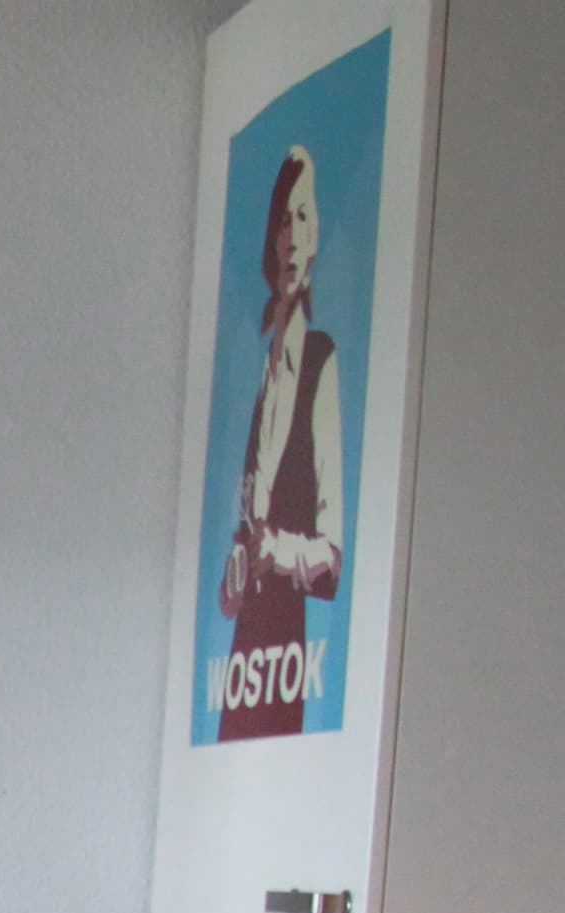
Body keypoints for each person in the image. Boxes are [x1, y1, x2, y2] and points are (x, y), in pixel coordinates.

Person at [215, 142, 348, 742]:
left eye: (303, 216)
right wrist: (237, 571)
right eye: (282, 221)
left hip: (284, 654)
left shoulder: (320, 363)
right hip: (246, 656)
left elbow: (333, 558)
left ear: (315, 232)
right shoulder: (258, 381)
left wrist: (277, 552)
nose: (291, 236)